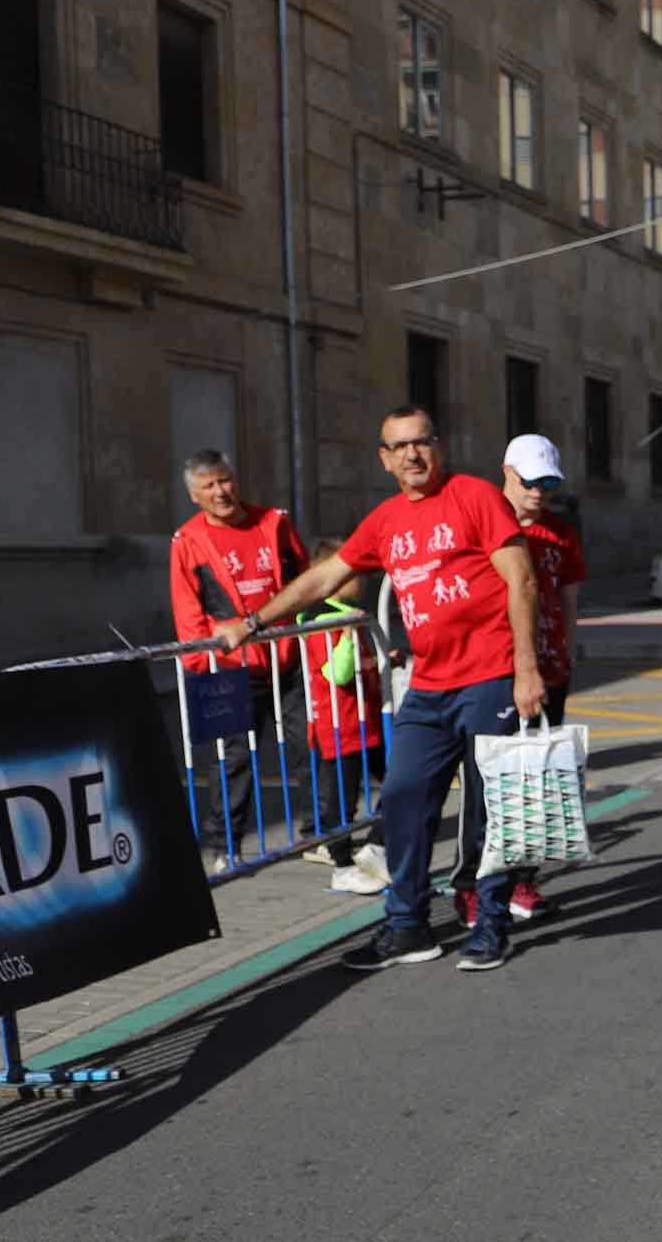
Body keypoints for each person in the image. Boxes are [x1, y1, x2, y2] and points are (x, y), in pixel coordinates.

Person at [215, 406, 545, 973]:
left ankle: (489, 922)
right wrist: (253, 621)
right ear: (385, 458)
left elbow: (522, 578)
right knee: (402, 797)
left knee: (492, 809)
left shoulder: (474, 496)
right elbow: (324, 576)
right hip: (430, 683)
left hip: (490, 677)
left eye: (421, 442)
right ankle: (408, 925)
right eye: (400, 446)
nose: (413, 454)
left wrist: (527, 670)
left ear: (437, 446)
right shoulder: (387, 519)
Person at [167, 452, 308, 872]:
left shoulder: (273, 522)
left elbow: (304, 577)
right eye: (209, 486)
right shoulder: (188, 541)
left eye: (225, 481)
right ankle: (225, 846)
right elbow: (187, 609)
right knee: (235, 760)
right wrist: (199, 667)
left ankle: (323, 830)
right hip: (230, 669)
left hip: (288, 659)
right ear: (195, 496)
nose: (221, 491)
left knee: (310, 743)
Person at [500, 434, 588, 925]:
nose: (538, 492)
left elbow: (569, 596)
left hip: (552, 671)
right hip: (501, 671)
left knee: (539, 779)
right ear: (507, 472)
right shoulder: (490, 527)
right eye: (529, 481)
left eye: (548, 483)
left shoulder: (560, 531)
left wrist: (569, 650)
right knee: (498, 778)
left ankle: (524, 879)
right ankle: (481, 882)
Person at [294, 554, 390, 894]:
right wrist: (349, 635)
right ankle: (342, 864)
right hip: (341, 727)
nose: (361, 580)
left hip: (369, 724)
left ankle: (375, 846)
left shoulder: (350, 616)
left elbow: (361, 665)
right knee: (342, 801)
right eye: (354, 574)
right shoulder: (322, 621)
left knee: (399, 783)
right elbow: (338, 672)